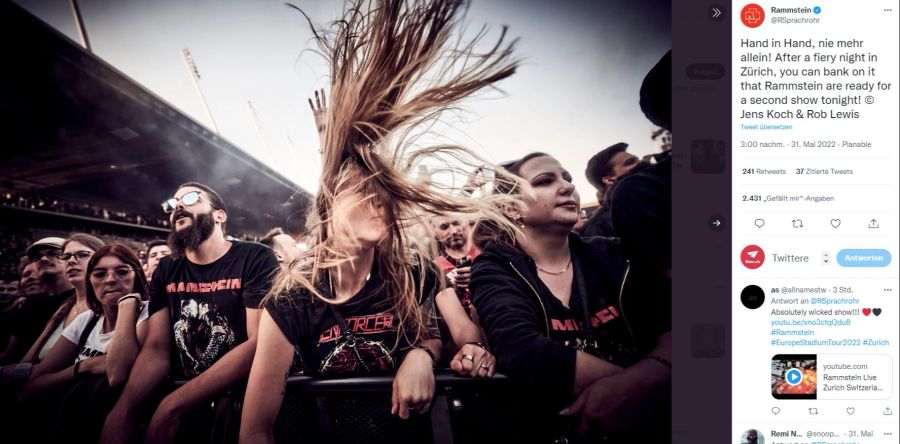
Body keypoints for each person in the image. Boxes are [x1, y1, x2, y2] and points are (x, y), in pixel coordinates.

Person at [239, 1, 518, 441]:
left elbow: (466, 335)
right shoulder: (295, 296)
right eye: (363, 191)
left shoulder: (413, 271)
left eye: (385, 194)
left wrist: (429, 354)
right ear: (329, 204)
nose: (379, 202)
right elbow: (254, 431)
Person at [470, 153, 670, 443]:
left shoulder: (615, 253)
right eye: (545, 181)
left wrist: (638, 387)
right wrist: (650, 392)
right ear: (511, 208)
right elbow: (519, 347)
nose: (566, 187)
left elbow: (676, 323)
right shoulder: (495, 268)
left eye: (568, 178)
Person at [100, 182, 279, 444]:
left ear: (220, 215)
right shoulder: (166, 268)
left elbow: (258, 343)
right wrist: (123, 410)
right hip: (191, 403)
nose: (178, 206)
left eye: (191, 198)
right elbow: (157, 349)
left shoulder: (255, 257)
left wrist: (172, 404)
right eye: (172, 204)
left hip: (245, 401)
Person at [17, 244, 150, 442]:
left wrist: (128, 304)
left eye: (122, 272)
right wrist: (83, 367)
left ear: (137, 276)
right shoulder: (86, 320)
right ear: (90, 281)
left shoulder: (149, 313)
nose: (111, 279)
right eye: (99, 274)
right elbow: (32, 388)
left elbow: (117, 375)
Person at [20, 234, 106, 365]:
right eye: (65, 257)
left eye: (82, 254)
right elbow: (29, 360)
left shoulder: (108, 308)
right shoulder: (65, 306)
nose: (70, 261)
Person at [580, 142, 640, 238]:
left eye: (637, 159)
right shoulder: (599, 226)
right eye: (630, 162)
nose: (641, 163)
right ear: (609, 179)